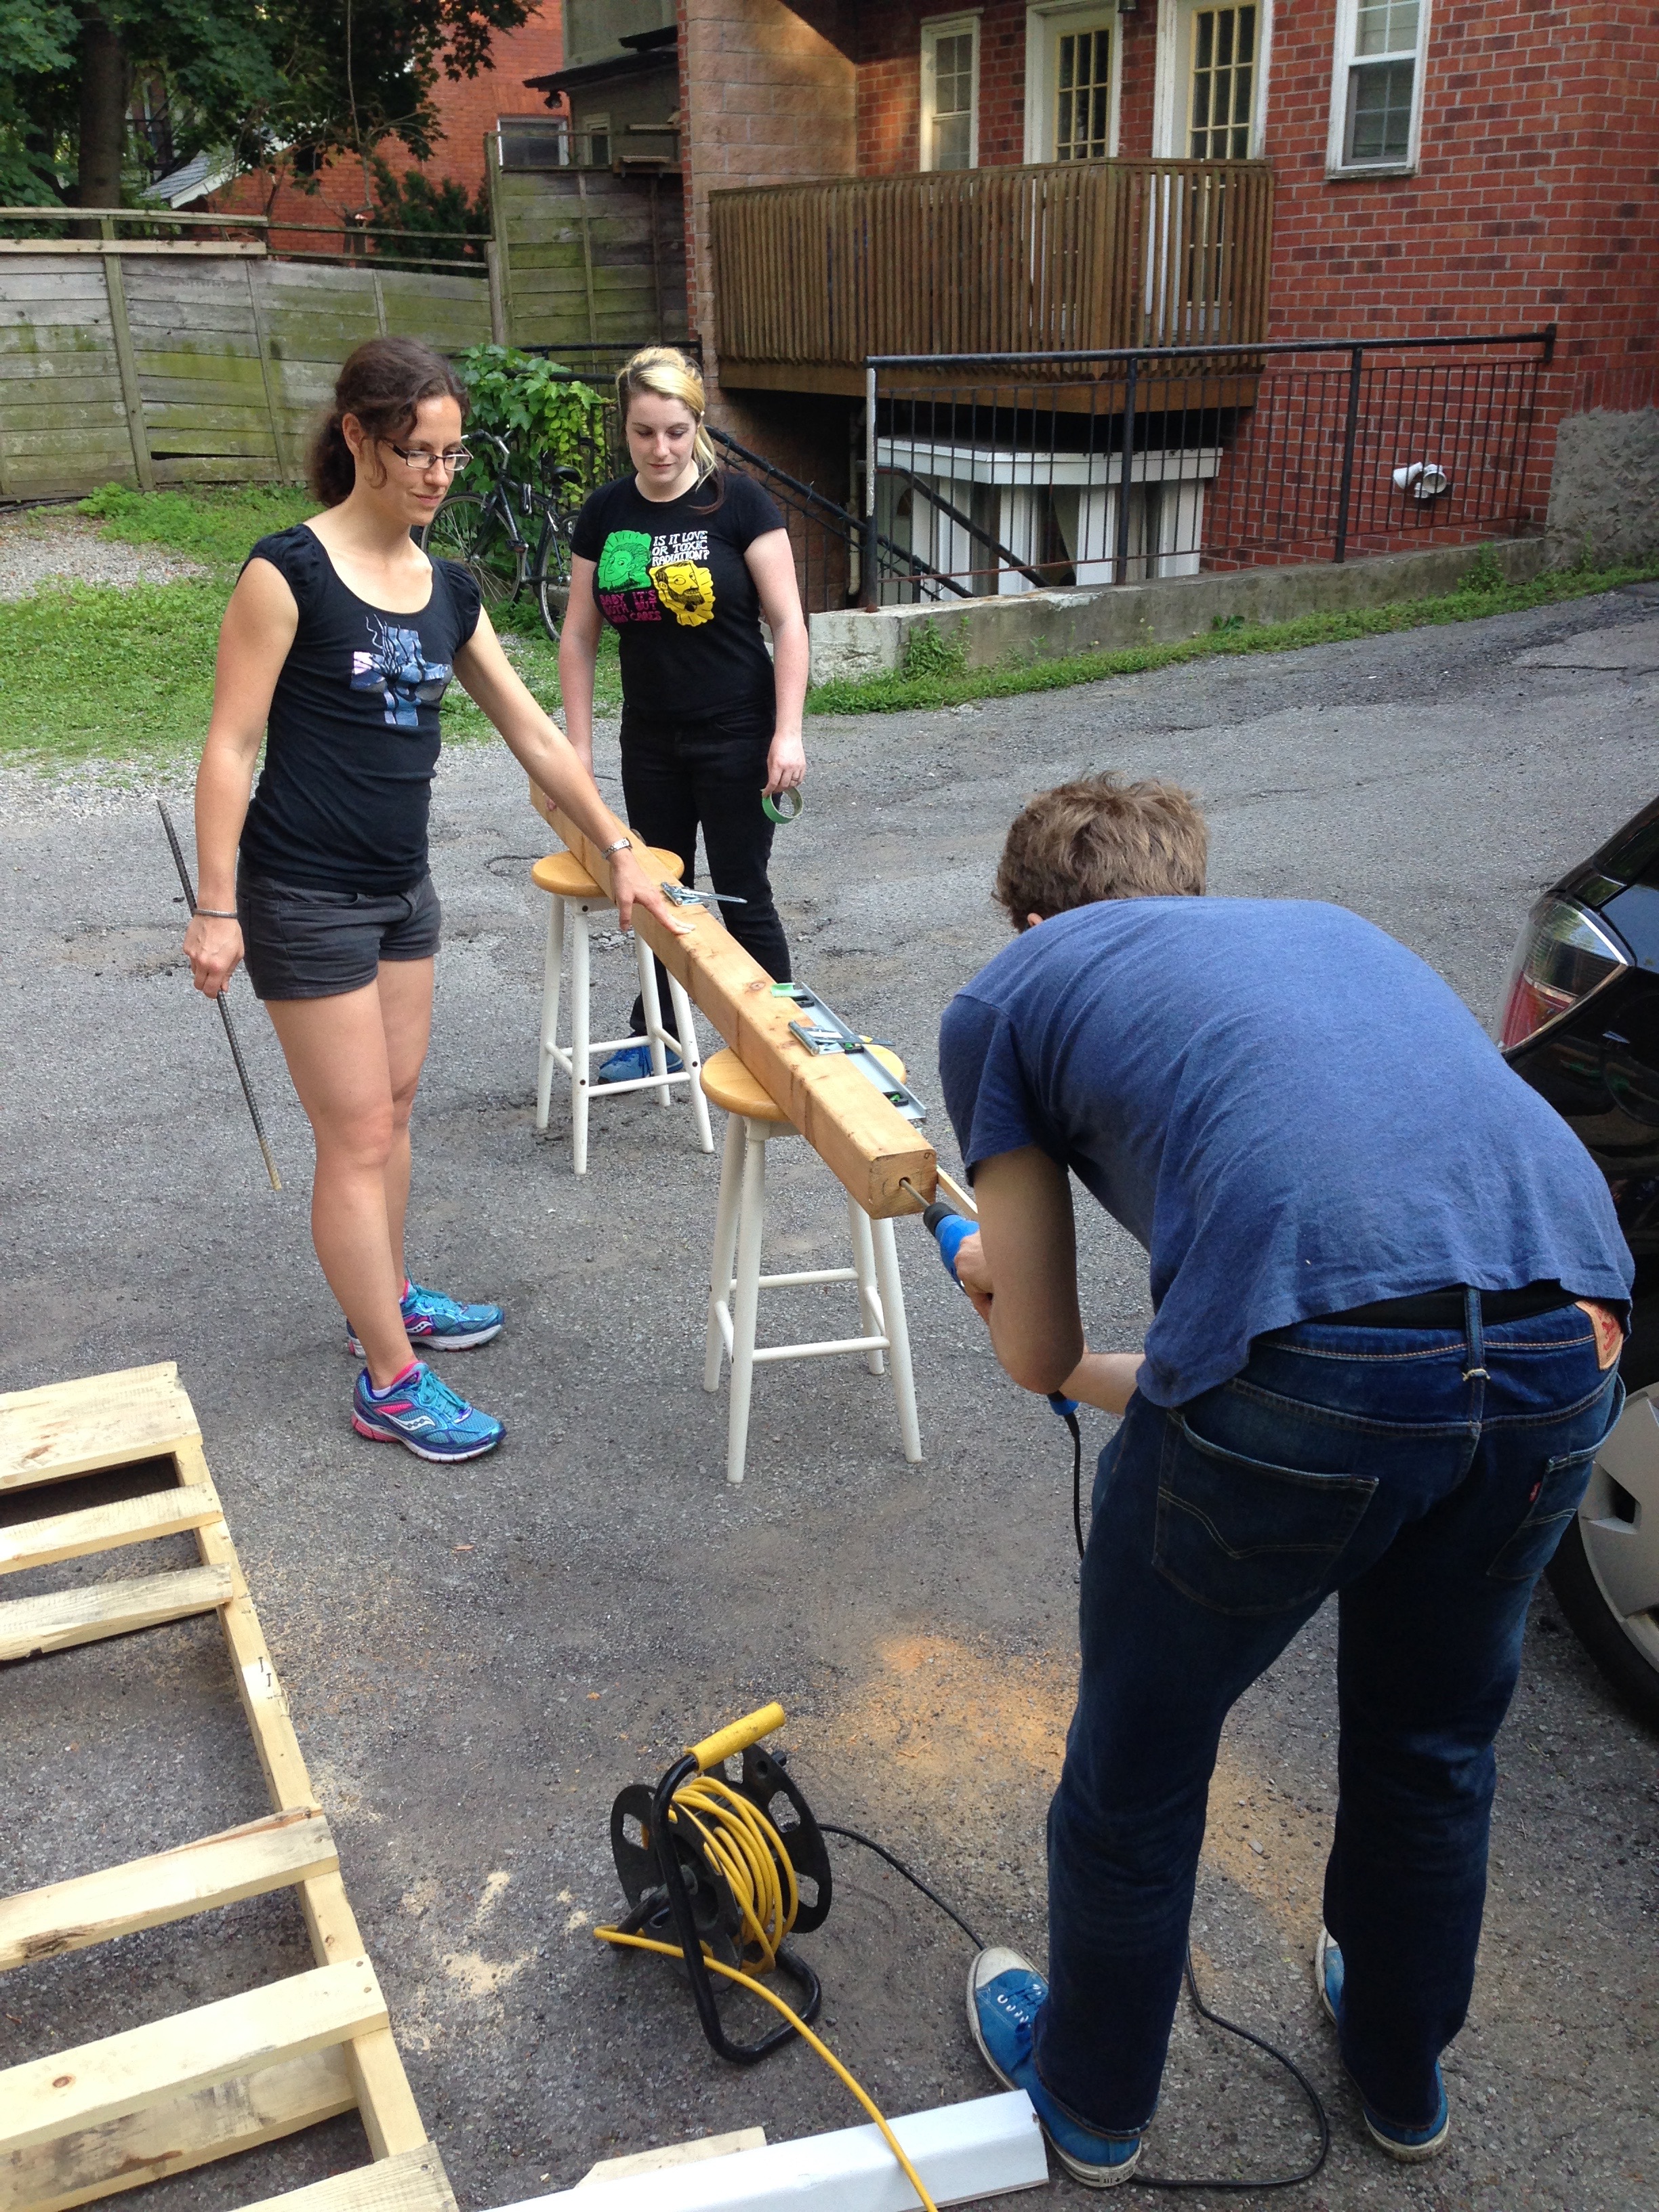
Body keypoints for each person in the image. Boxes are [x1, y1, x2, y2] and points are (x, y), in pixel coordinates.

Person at [939, 774, 1631, 2185]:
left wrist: (987, 1283)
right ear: (1189, 893)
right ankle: (1400, 2070)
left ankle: (1090, 2103)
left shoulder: (1011, 995)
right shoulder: (1319, 928)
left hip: (1314, 1369)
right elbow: (1300, 1342)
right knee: (1433, 1744)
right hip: (1572, 1344)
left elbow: (1043, 1352)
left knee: (1138, 1762)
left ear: (1022, 919)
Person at [184, 335, 691, 1465]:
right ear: (358, 436)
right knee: (354, 1133)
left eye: (453, 453)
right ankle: (388, 1378)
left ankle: (387, 1296)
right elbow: (229, 744)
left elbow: (531, 729)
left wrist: (619, 844)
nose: (437, 473)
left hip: (399, 890)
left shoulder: (446, 586)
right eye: (416, 450)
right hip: (302, 890)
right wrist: (216, 905)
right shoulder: (288, 573)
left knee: (395, 1112)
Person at [559, 346, 808, 1084]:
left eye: (674, 430)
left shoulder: (740, 502)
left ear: (696, 422)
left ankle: (783, 1041)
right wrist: (578, 746)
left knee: (741, 892)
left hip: (739, 733)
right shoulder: (605, 512)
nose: (660, 449)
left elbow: (789, 624)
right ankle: (657, 1034)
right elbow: (578, 634)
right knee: (659, 890)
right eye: (644, 432)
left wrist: (787, 732)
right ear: (626, 429)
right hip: (652, 738)